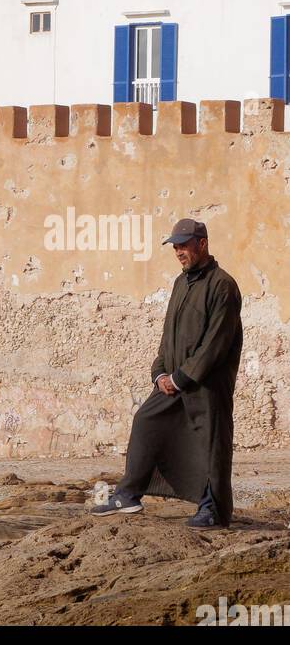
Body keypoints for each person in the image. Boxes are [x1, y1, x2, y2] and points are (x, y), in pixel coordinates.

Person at [92, 218, 242, 528]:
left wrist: (181, 378)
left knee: (210, 444)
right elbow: (168, 336)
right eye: (175, 246)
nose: (178, 251)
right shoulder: (180, 283)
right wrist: (160, 372)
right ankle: (128, 495)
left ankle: (213, 510)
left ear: (202, 244)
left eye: (184, 244)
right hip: (173, 380)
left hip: (207, 385)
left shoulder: (223, 285)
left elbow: (215, 344)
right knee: (146, 420)